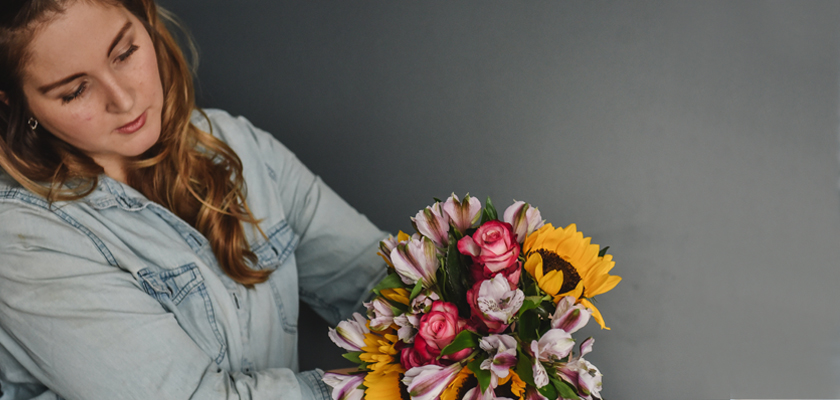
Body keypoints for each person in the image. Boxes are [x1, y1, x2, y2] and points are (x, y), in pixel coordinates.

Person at [0, 0, 388, 399]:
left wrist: (448, 314)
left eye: (125, 52)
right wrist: (395, 385)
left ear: (145, 20)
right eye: (75, 90)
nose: (124, 100)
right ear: (16, 101)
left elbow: (382, 283)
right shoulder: (19, 238)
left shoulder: (235, 145)